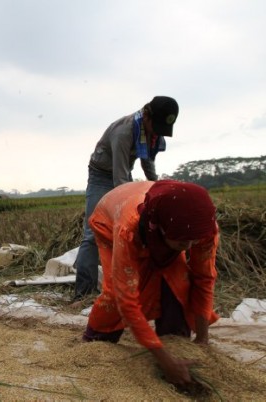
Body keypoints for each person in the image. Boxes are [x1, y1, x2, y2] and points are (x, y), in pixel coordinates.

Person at [82, 180, 219, 386]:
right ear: (161, 229)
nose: (189, 247)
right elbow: (125, 298)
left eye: (194, 241)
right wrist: (165, 361)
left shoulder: (201, 228)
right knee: (116, 293)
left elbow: (204, 279)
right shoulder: (128, 229)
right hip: (111, 220)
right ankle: (96, 340)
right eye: (183, 243)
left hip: (164, 217)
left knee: (178, 284)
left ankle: (174, 342)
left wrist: (202, 340)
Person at [73, 96, 179, 300]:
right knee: (93, 232)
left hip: (122, 173)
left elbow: (147, 163)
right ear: (147, 116)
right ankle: (83, 292)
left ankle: (128, 288)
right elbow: (120, 181)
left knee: (126, 231)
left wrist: (157, 189)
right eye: (155, 126)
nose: (156, 132)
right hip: (102, 175)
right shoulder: (124, 132)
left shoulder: (150, 133)